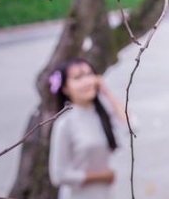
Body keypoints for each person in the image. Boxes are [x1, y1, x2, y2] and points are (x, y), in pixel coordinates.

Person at [48, 58, 128, 199]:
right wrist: (100, 176)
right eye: (78, 77)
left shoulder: (102, 114)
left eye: (89, 74)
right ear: (65, 88)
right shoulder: (65, 123)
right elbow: (58, 175)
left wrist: (107, 92)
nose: (86, 81)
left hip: (106, 194)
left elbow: (132, 127)